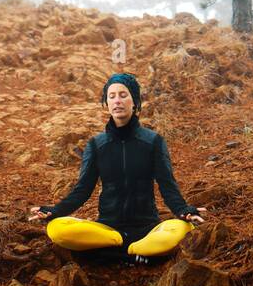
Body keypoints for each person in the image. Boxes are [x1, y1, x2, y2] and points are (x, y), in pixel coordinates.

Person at [27, 71, 207, 265]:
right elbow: (82, 190)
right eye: (111, 96)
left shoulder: (154, 141)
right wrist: (54, 211)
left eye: (123, 95)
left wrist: (183, 210)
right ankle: (133, 251)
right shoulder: (96, 145)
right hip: (108, 229)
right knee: (56, 228)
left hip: (147, 228)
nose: (117, 101)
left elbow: (167, 186)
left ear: (134, 101)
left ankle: (118, 252)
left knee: (182, 228)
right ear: (106, 104)